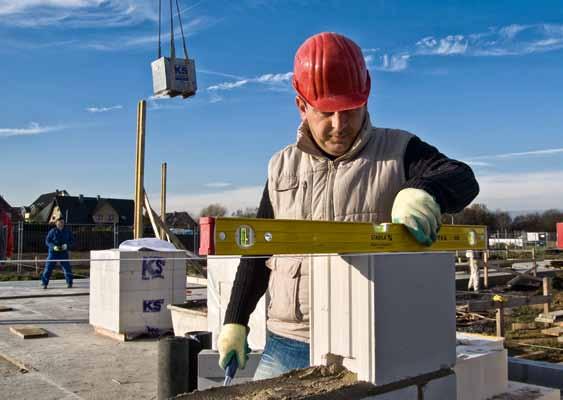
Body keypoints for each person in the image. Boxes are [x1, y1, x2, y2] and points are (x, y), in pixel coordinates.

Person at [217, 32, 480, 380]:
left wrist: (423, 191)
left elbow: (462, 177)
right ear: (302, 105)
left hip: (367, 342)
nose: (339, 125)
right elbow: (260, 250)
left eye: (350, 110)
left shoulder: (398, 151)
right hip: (288, 342)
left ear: (366, 99)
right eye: (326, 112)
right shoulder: (280, 167)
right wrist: (235, 320)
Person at [42, 217, 74, 289]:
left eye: (62, 222)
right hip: (53, 253)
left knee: (67, 268)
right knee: (48, 268)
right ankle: (44, 283)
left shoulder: (68, 231)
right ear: (56, 223)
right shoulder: (52, 231)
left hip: (63, 253)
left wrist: (67, 246)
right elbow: (47, 241)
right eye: (59, 222)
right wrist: (53, 247)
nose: (61, 224)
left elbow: (72, 241)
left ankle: (69, 283)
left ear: (64, 223)